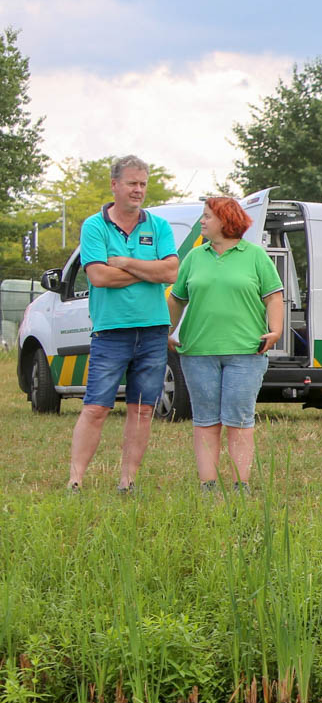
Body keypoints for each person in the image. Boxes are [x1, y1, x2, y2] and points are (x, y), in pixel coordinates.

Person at [67, 155, 179, 492]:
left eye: (143, 184)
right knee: (96, 407)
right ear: (114, 185)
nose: (138, 190)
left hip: (153, 330)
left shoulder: (159, 226)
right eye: (132, 183)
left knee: (143, 410)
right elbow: (99, 277)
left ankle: (127, 482)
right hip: (111, 331)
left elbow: (171, 272)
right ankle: (75, 480)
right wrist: (148, 270)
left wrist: (125, 263)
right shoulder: (94, 226)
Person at [169, 196, 284, 492]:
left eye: (207, 216)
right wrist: (165, 332)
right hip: (198, 352)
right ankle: (207, 484)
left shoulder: (255, 256)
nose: (202, 221)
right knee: (206, 421)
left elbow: (273, 297)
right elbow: (177, 299)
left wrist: (275, 331)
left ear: (225, 220)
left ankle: (239, 484)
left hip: (246, 352)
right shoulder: (194, 257)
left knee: (239, 420)